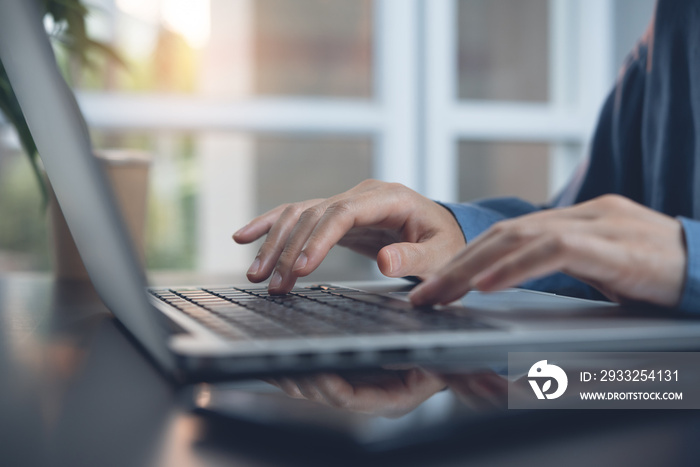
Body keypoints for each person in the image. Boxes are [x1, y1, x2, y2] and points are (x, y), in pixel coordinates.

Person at [233, 0, 700, 409]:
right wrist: (461, 234)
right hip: (655, 388)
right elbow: (579, 233)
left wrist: (690, 260)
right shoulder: (676, 18)